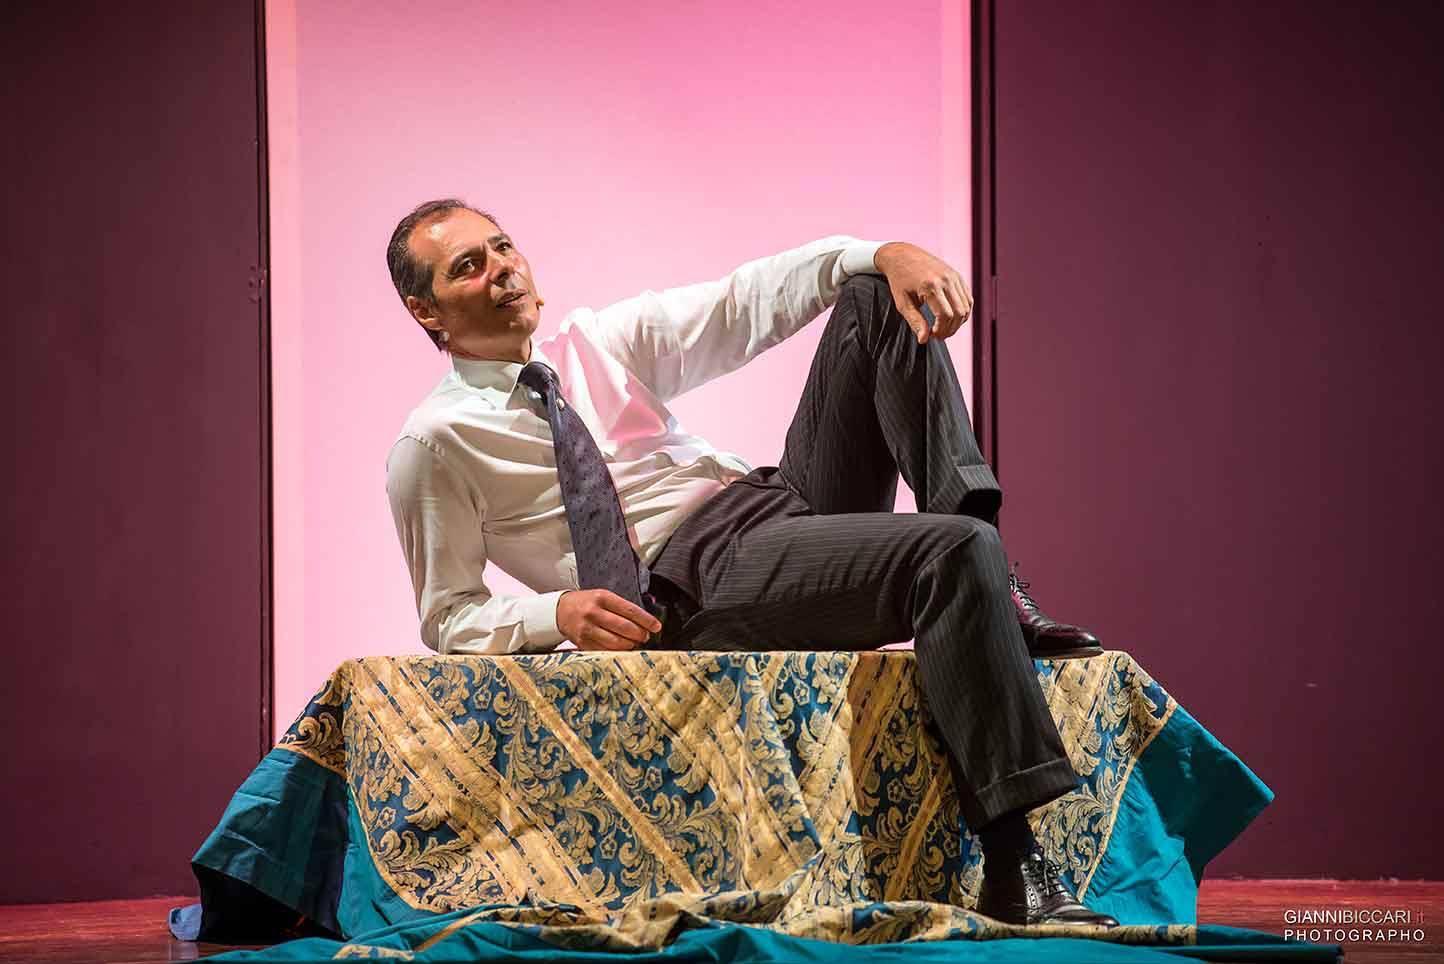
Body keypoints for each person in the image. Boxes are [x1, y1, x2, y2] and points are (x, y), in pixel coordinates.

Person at [384, 198, 1120, 927]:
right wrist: (557, 612)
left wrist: (884, 252)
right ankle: (1014, 863)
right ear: (426, 310)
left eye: (502, 247)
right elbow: (449, 613)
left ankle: (997, 586)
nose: (501, 270)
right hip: (688, 581)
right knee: (954, 550)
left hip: (771, 504)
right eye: (468, 266)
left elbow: (742, 303)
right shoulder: (434, 442)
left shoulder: (592, 344)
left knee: (874, 297)